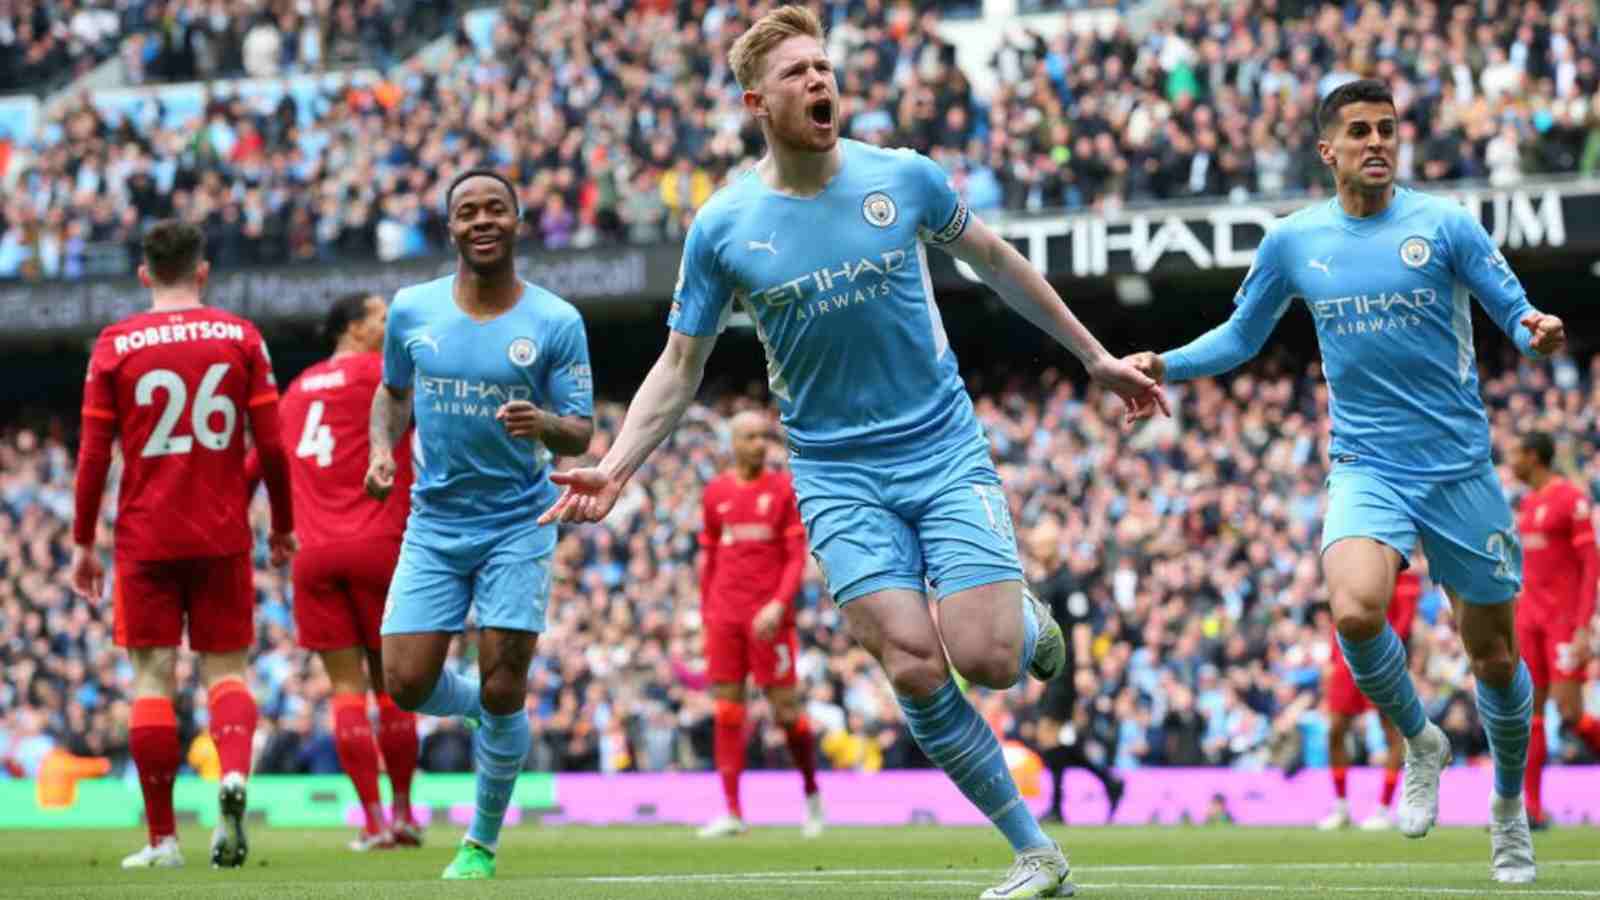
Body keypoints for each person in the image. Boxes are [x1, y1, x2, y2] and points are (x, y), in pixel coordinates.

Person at [539, 8, 1163, 897]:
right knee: (911, 660)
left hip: (941, 446)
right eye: (797, 73)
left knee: (986, 659)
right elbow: (681, 365)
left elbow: (994, 259)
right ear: (758, 101)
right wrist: (618, 462)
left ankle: (1022, 622)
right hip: (835, 472)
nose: (820, 83)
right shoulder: (722, 227)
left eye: (824, 67)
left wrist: (1094, 355)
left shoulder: (900, 178)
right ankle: (1037, 853)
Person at [1124, 79, 1565, 884]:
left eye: (1389, 129)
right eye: (1360, 130)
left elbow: (1512, 306)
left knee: (1495, 659)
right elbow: (1240, 336)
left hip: (1460, 470)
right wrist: (1166, 364)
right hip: (1367, 465)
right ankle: (1420, 740)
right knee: (1356, 608)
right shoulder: (1295, 241)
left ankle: (1508, 809)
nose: (1378, 142)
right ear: (1327, 150)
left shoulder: (1445, 225)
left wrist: (1533, 326)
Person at [366, 168, 594, 880]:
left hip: (518, 521)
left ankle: (481, 843)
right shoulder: (412, 310)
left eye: (496, 208)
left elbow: (581, 434)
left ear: (519, 221)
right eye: (468, 212)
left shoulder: (556, 321)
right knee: (404, 682)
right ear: (451, 227)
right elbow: (392, 393)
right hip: (434, 522)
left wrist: (545, 423)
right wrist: (381, 450)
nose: (483, 220)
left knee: (505, 684)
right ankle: (475, 709)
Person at [70, 219, 297, 870]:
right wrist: (280, 523)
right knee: (226, 671)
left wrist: (84, 540)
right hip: (221, 528)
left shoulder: (116, 343)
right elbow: (274, 447)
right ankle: (232, 776)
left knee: (151, 679)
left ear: (144, 274)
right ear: (203, 272)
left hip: (145, 532)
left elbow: (92, 456)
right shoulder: (240, 336)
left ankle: (163, 839)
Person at [259, 292, 423, 850]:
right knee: (393, 688)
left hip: (313, 552)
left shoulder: (296, 389)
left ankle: (372, 822)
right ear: (354, 328)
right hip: (379, 542)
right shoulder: (385, 373)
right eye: (381, 317)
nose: (390, 323)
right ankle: (402, 813)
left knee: (344, 691)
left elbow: (262, 463)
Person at [694, 410, 824, 840]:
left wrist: (779, 604)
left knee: (787, 713)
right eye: (749, 437)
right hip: (725, 615)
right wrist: (706, 611)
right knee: (728, 709)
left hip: (770, 617)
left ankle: (811, 796)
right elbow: (709, 558)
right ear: (732, 442)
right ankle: (732, 811)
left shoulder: (783, 489)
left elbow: (794, 558)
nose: (758, 444)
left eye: (763, 437)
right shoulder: (715, 493)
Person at [1509, 430, 1600, 827]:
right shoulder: (1527, 504)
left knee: (1570, 712)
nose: (1511, 462)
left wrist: (1583, 627)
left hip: (1563, 623)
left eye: (1516, 453)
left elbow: (1591, 566)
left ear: (1534, 456)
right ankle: (1530, 807)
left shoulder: (1571, 500)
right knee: (1530, 715)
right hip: (1529, 622)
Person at [1024, 518, 1124, 826]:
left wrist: (1082, 667)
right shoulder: (1044, 580)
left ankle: (1058, 804)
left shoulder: (1069, 583)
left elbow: (1080, 627)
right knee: (1050, 738)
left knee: (1049, 733)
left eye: (1039, 545)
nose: (1035, 550)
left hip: (1064, 667)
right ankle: (1106, 781)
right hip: (1047, 666)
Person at [1318, 568, 1420, 832]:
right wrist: (1332, 656)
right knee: (1335, 731)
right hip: (1347, 657)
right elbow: (1340, 610)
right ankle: (1341, 808)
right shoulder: (1353, 559)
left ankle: (1384, 809)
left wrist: (1384, 648)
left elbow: (1405, 620)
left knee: (1392, 733)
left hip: (1382, 656)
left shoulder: (1405, 572)